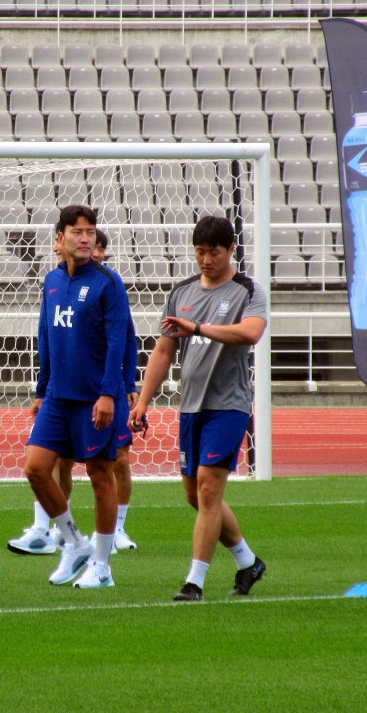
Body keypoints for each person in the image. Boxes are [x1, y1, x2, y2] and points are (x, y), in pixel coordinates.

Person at [129, 215, 268, 602]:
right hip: (191, 406)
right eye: (200, 252)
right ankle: (248, 561)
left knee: (208, 490)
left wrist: (199, 328)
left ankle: (194, 582)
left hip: (229, 405)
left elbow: (251, 332)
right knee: (194, 495)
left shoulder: (247, 291)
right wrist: (142, 400)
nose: (206, 260)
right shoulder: (181, 292)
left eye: (214, 252)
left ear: (231, 251)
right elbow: (164, 350)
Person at [8, 228, 141, 555]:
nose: (90, 249)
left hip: (102, 392)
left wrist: (125, 386)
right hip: (60, 394)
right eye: (79, 237)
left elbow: (123, 340)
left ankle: (112, 537)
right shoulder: (53, 282)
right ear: (59, 241)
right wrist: (42, 390)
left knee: (113, 465)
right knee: (44, 466)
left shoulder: (108, 285)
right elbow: (46, 337)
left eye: (94, 242)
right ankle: (58, 534)